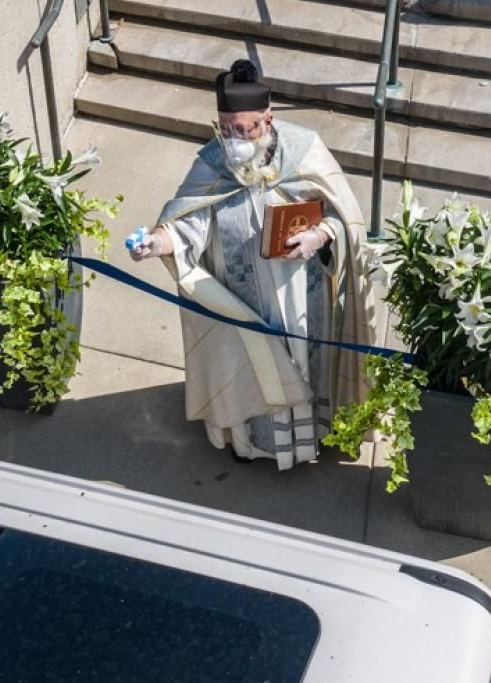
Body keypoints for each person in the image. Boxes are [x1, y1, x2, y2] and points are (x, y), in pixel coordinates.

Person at [128, 58, 378, 470]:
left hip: (302, 295)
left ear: (267, 120)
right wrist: (158, 242)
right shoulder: (212, 162)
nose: (235, 139)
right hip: (240, 298)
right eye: (226, 128)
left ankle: (312, 436)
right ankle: (255, 444)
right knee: (252, 363)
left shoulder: (305, 151)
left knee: (301, 360)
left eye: (244, 129)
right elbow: (189, 222)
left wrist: (319, 236)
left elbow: (344, 216)